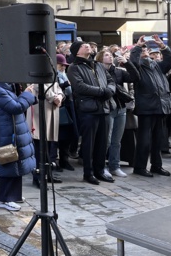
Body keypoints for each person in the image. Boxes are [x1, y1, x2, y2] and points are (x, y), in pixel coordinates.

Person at [0, 61, 36, 211]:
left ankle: (14, 195)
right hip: (7, 132)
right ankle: (4, 199)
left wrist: (27, 95)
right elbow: (16, 107)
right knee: (8, 163)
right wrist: (27, 95)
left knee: (16, 163)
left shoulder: (4, 87)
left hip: (13, 130)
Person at [68, 40, 116, 185]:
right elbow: (80, 87)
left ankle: (100, 171)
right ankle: (88, 173)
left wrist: (110, 90)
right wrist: (103, 92)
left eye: (87, 44)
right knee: (89, 144)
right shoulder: (73, 67)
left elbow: (111, 81)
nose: (87, 45)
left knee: (102, 143)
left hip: (104, 108)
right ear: (77, 51)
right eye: (83, 45)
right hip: (88, 110)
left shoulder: (98, 65)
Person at [129, 35, 171, 177]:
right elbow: (132, 63)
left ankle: (156, 166)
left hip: (160, 106)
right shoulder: (138, 67)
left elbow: (169, 59)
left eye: (145, 49)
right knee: (144, 140)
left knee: (158, 139)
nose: (145, 50)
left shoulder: (156, 66)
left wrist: (163, 47)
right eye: (143, 50)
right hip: (146, 107)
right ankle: (140, 167)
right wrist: (137, 47)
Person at [99, 49, 138, 178]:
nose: (109, 57)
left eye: (110, 55)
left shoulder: (119, 71)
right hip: (107, 108)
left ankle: (114, 166)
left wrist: (127, 63)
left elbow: (135, 77)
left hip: (121, 108)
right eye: (106, 55)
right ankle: (101, 167)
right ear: (100, 58)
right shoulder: (97, 72)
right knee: (107, 140)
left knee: (117, 140)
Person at [29, 81, 63, 187]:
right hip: (40, 110)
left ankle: (47, 174)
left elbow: (57, 86)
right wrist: (55, 98)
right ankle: (38, 177)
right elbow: (38, 85)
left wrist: (60, 96)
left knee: (49, 145)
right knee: (39, 147)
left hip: (51, 109)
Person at [55, 54, 78, 172]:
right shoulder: (54, 75)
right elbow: (55, 88)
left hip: (68, 107)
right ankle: (54, 161)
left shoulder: (64, 75)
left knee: (68, 136)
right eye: (61, 65)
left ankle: (65, 160)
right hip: (59, 108)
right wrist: (66, 84)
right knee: (56, 137)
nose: (63, 67)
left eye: (64, 65)